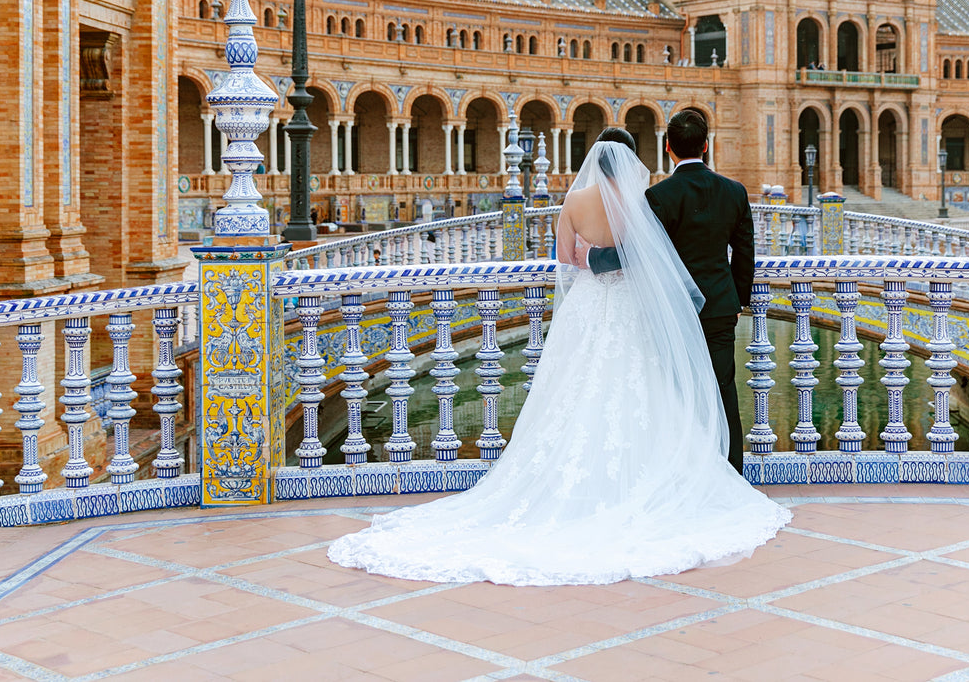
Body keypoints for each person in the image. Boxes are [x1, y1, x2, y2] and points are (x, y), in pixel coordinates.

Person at [327, 127, 788, 586]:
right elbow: (646, 258)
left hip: (586, 310)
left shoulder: (575, 202)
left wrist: (591, 260)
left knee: (574, 390)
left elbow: (567, 259)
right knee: (653, 391)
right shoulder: (642, 203)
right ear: (631, 163)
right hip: (644, 309)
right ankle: (713, 473)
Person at [579, 109, 754, 473]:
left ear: (668, 149)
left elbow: (638, 254)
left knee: (676, 395)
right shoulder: (734, 192)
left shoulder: (658, 196)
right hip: (720, 307)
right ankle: (733, 474)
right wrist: (739, 299)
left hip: (671, 309)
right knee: (724, 392)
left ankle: (688, 473)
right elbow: (744, 253)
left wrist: (593, 259)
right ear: (706, 146)